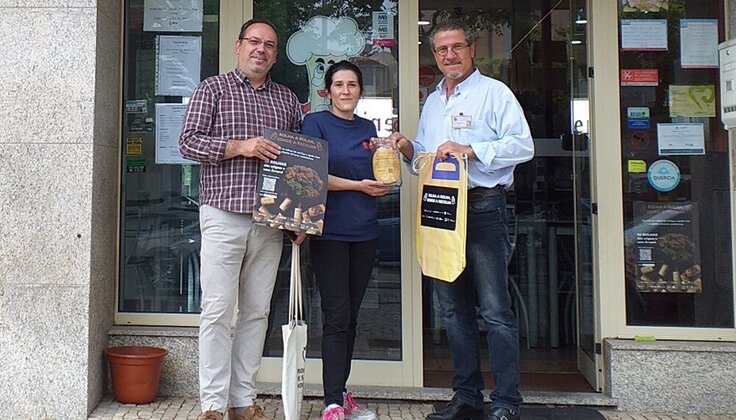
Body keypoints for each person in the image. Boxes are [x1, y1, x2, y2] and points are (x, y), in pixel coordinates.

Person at [390, 20, 534, 420]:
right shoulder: (434, 100)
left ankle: (506, 402)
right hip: (442, 208)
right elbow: (427, 158)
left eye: (456, 47)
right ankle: (466, 397)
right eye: (442, 50)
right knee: (453, 310)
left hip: (484, 206)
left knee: (495, 310)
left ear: (472, 49)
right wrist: (407, 147)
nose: (449, 55)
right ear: (434, 56)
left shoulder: (494, 93)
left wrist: (471, 149)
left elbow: (523, 146)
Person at [179, 18, 302, 420]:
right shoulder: (212, 89)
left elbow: (297, 162)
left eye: (269, 45)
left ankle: (243, 400)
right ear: (238, 46)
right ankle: (213, 404)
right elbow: (188, 143)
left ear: (275, 55)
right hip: (223, 214)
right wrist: (239, 147)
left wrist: (299, 216)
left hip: (270, 221)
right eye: (254, 41)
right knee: (217, 311)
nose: (260, 49)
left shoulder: (286, 100)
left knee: (256, 313)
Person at [300, 60, 390, 420]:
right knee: (336, 316)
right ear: (327, 91)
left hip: (365, 231)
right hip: (330, 233)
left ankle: (341, 393)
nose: (346, 91)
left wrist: (385, 166)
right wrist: (358, 186)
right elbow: (311, 173)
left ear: (360, 91)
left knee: (351, 318)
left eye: (352, 85)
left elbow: (378, 173)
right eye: (339, 85)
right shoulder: (315, 123)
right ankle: (331, 403)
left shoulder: (369, 128)